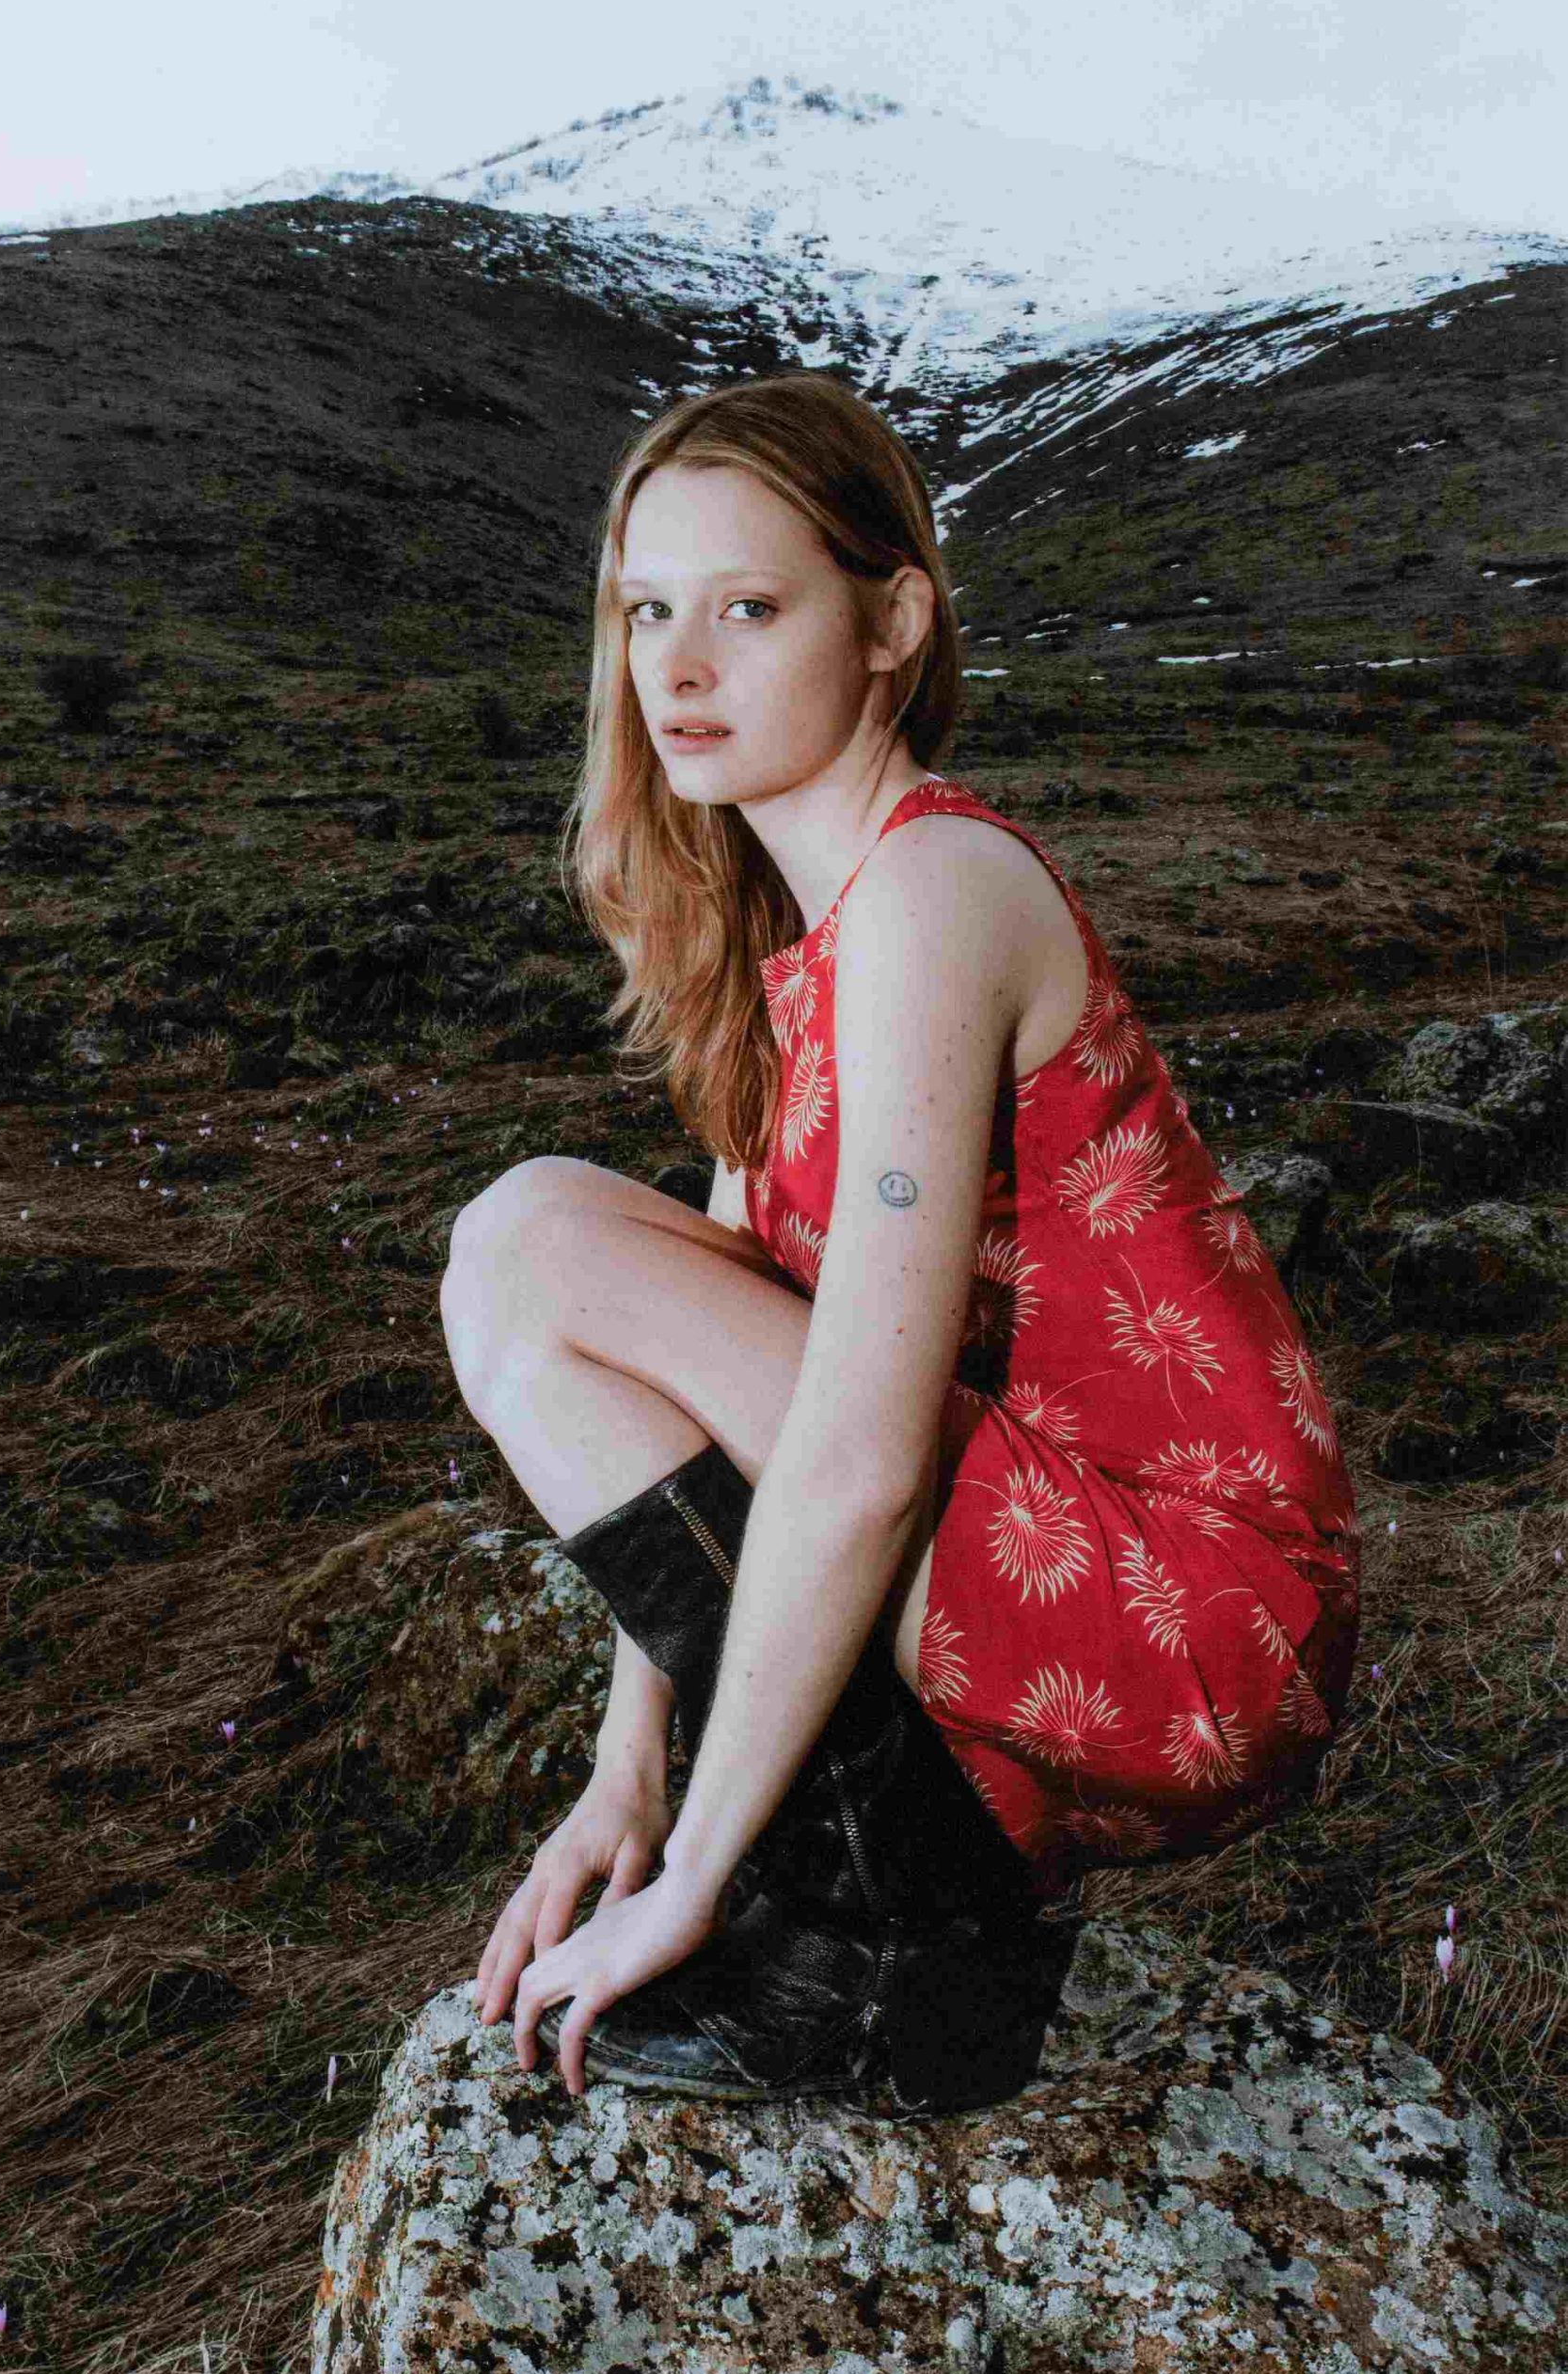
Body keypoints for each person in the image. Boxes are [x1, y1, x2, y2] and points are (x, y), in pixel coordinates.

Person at [439, 370, 1360, 2115]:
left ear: (892, 624)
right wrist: (626, 1772)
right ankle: (888, 1912)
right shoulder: (795, 932)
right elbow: (705, 1381)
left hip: (1196, 1611)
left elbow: (855, 1458)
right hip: (1035, 1563)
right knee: (523, 1258)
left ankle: (882, 1949)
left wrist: (692, 1873)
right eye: (646, 610)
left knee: (533, 1237)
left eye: (749, 608)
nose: (677, 668)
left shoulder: (936, 890)